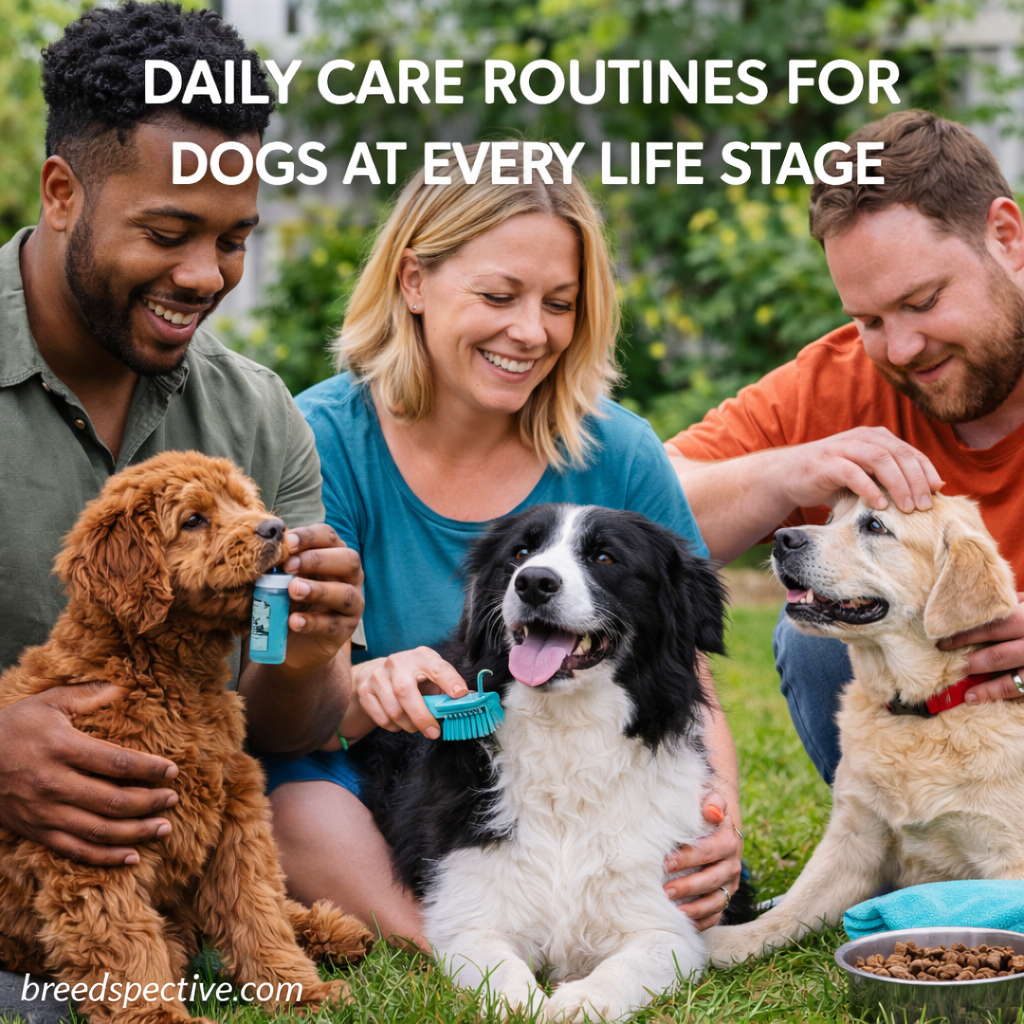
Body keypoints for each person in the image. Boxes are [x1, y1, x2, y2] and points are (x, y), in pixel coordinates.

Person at [265, 144, 746, 946]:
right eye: (498, 294)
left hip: (554, 795)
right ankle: (446, 940)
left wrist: (713, 822)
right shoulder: (318, 442)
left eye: (560, 303)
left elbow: (691, 681)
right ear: (413, 281)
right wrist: (358, 687)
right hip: (353, 770)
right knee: (291, 804)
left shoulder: (618, 452)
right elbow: (271, 708)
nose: (531, 332)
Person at [0, 2, 362, 871]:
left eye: (234, 239)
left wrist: (309, 656)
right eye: (167, 234)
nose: (204, 276)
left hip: (151, 869)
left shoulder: (257, 415)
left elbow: (290, 728)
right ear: (62, 194)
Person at [667, 110, 1024, 786]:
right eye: (869, 320)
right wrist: (782, 474)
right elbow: (634, 502)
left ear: (1005, 237)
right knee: (817, 643)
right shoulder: (840, 383)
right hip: (939, 788)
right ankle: (919, 868)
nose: (903, 348)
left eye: (923, 301)